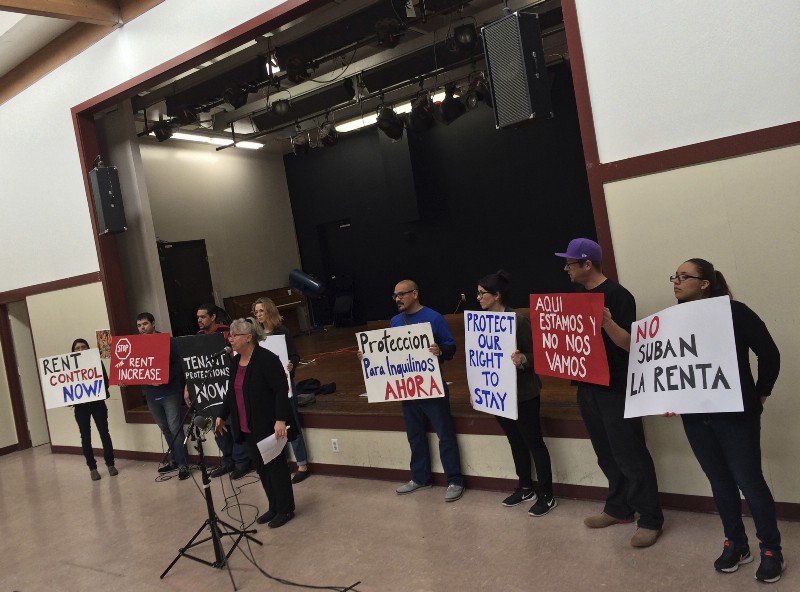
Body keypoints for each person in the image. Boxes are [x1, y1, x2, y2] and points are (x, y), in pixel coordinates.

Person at [668, 258, 783, 582]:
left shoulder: (736, 313)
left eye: (684, 276)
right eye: (674, 276)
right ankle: (737, 544)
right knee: (719, 481)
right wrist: (668, 397)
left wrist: (760, 394)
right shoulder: (673, 320)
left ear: (705, 283)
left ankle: (772, 550)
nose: (676, 281)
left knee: (749, 481)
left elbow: (769, 354)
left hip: (735, 417)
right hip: (695, 417)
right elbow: (672, 366)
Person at [555, 238, 664, 547]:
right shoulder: (576, 296)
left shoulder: (618, 295)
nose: (566, 268)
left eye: (570, 263)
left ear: (587, 264)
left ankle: (651, 518)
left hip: (617, 388)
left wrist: (605, 321)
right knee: (605, 452)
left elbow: (630, 343)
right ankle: (619, 508)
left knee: (630, 454)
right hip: (587, 387)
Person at [476, 271, 556, 516]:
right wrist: (477, 388)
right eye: (477, 293)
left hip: (524, 393)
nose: (477, 298)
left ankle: (546, 494)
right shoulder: (479, 324)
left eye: (482, 293)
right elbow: (478, 361)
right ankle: (525, 486)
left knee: (534, 442)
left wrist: (523, 360)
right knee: (514, 440)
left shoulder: (517, 320)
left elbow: (539, 355)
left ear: (497, 295)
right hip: (499, 395)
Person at [214, 318, 295, 528]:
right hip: (246, 425)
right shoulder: (235, 361)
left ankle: (286, 509)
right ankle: (274, 506)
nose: (230, 339)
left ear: (248, 337)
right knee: (261, 468)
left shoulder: (266, 359)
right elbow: (231, 393)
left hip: (267, 424)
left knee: (276, 468)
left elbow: (280, 391)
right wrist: (222, 415)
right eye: (230, 335)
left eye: (234, 335)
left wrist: (280, 419)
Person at [389, 279, 465, 502]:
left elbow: (451, 347)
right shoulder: (394, 321)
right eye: (395, 295)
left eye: (401, 294)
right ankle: (420, 477)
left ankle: (455, 479)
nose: (397, 299)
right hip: (407, 388)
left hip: (431, 386)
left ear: (415, 294)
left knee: (445, 434)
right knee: (414, 435)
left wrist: (440, 350)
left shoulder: (434, 318)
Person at [253, 297, 310, 484]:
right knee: (273, 425)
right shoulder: (256, 335)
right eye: (256, 312)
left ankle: (302, 464)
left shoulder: (282, 332)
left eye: (261, 311)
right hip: (265, 387)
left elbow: (295, 354)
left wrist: (291, 363)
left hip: (285, 383)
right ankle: (281, 462)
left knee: (291, 421)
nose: (258, 314)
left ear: (269, 311)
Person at [192, 303, 251, 480]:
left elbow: (237, 356)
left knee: (233, 424)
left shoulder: (226, 332)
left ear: (213, 317)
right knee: (215, 425)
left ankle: (242, 462)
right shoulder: (197, 336)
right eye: (198, 317)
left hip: (228, 385)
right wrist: (188, 388)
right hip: (209, 390)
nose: (199, 320)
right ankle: (228, 462)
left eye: (203, 317)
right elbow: (193, 366)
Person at [136, 312, 190, 480]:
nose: (142, 328)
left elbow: (180, 364)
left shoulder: (168, 341)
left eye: (144, 324)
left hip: (170, 391)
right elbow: (135, 366)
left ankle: (183, 465)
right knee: (165, 429)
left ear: (153, 323)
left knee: (175, 428)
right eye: (139, 325)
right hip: (151, 394)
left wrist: (164, 376)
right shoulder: (137, 344)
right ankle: (174, 460)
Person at [70, 338, 117, 481]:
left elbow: (105, 381)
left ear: (88, 349)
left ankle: (110, 464)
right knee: (85, 437)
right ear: (73, 351)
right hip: (81, 408)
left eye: (83, 347)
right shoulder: (70, 367)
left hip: (97, 404)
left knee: (104, 433)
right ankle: (92, 468)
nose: (80, 350)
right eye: (77, 348)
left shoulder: (96, 361)